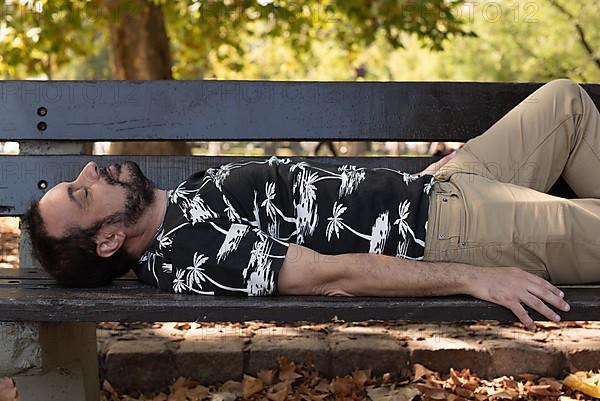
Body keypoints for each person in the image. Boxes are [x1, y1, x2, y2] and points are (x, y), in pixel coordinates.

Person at [24, 78, 600, 331]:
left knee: (565, 104)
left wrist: (427, 181)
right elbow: (337, 273)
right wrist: (477, 277)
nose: (90, 171)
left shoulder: (183, 204)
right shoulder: (196, 256)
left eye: (79, 178)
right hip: (452, 230)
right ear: (106, 240)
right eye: (81, 192)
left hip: (438, 187)